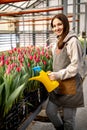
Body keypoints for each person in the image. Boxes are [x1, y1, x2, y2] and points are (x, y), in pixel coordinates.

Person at [46, 13, 84, 130]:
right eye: (54, 25)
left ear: (65, 24)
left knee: (69, 120)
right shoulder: (59, 40)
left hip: (70, 85)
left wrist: (57, 75)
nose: (56, 28)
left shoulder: (73, 41)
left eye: (59, 24)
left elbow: (75, 66)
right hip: (58, 84)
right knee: (50, 112)